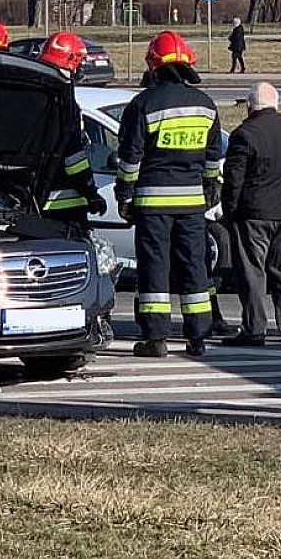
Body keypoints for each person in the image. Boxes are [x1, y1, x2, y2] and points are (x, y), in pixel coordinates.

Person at [115, 31, 225, 357]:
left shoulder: (143, 104)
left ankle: (156, 338)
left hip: (151, 204)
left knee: (154, 268)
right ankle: (198, 337)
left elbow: (130, 157)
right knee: (195, 267)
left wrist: (125, 194)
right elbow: (212, 156)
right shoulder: (206, 105)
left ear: (154, 64)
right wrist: (211, 187)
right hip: (192, 205)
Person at [222, 82, 281, 346]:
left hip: (252, 215)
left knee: (252, 274)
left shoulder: (244, 134)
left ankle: (254, 328)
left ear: (250, 106)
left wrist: (230, 212)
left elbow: (233, 180)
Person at [33, 32, 106, 234]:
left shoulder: (33, 93)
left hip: (34, 201)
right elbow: (73, 155)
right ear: (72, 61)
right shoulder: (64, 98)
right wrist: (90, 192)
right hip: (66, 209)